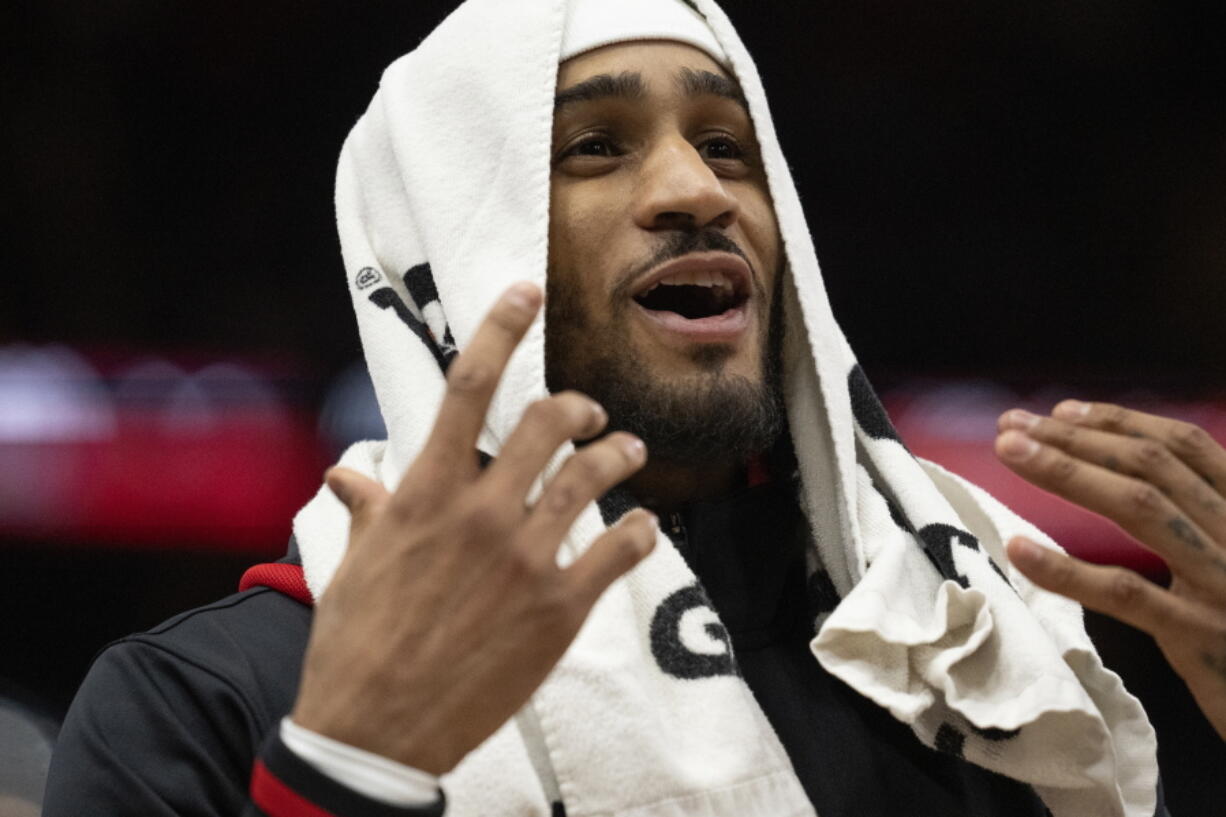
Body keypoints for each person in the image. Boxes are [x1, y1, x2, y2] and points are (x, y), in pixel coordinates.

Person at [43, 0, 1226, 815]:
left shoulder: (976, 651)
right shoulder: (211, 701)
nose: (693, 190)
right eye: (594, 146)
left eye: (727, 142)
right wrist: (345, 771)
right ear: (448, 254)